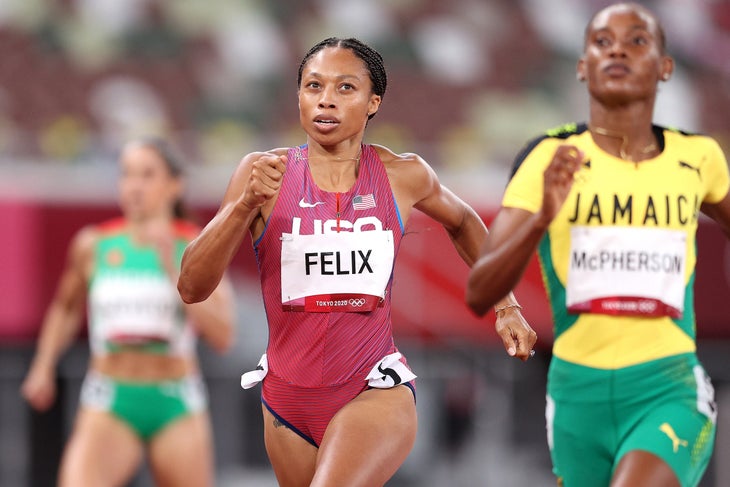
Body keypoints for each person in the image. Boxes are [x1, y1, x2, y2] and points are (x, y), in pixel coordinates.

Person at [177, 37, 537, 487]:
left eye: (345, 88)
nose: (326, 99)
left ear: (373, 102)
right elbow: (191, 287)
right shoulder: (262, 173)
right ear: (300, 97)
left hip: (373, 389)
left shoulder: (403, 175)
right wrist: (242, 205)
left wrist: (506, 304)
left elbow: (464, 222)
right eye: (314, 86)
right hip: (286, 403)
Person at [466, 3, 728, 486]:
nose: (618, 52)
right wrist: (542, 216)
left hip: (666, 387)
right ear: (583, 65)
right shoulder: (548, 158)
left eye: (637, 41)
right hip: (574, 396)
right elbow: (480, 291)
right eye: (602, 43)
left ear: (665, 66)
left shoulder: (700, 158)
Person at [21, 137, 235, 487]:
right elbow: (65, 308)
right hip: (110, 400)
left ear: (174, 185)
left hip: (174, 401)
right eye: (127, 175)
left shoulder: (197, 246)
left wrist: (173, 268)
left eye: (147, 175)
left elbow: (223, 335)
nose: (134, 186)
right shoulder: (94, 244)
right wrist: (43, 365)